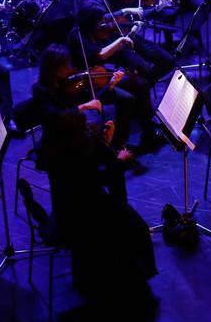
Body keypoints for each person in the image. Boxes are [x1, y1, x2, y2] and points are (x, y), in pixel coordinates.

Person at [41, 109, 156, 306]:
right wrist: (120, 158)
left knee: (123, 215)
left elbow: (90, 175)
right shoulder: (76, 155)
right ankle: (130, 277)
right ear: (74, 135)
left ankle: (110, 267)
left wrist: (104, 145)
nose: (87, 130)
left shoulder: (54, 148)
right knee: (137, 227)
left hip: (67, 209)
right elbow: (103, 178)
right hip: (84, 216)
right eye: (82, 128)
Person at [68, 2, 166, 151]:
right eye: (100, 22)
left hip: (102, 74)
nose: (103, 24)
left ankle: (145, 133)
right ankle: (122, 142)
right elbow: (99, 54)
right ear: (90, 23)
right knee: (133, 92)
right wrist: (120, 40)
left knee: (141, 83)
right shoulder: (78, 36)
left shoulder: (93, 31)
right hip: (86, 83)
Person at [91, 0, 176, 80]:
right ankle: (142, 86)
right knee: (144, 69)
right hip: (112, 44)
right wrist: (124, 11)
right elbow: (99, 22)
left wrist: (157, 8)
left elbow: (138, 14)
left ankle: (146, 85)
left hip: (130, 37)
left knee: (168, 61)